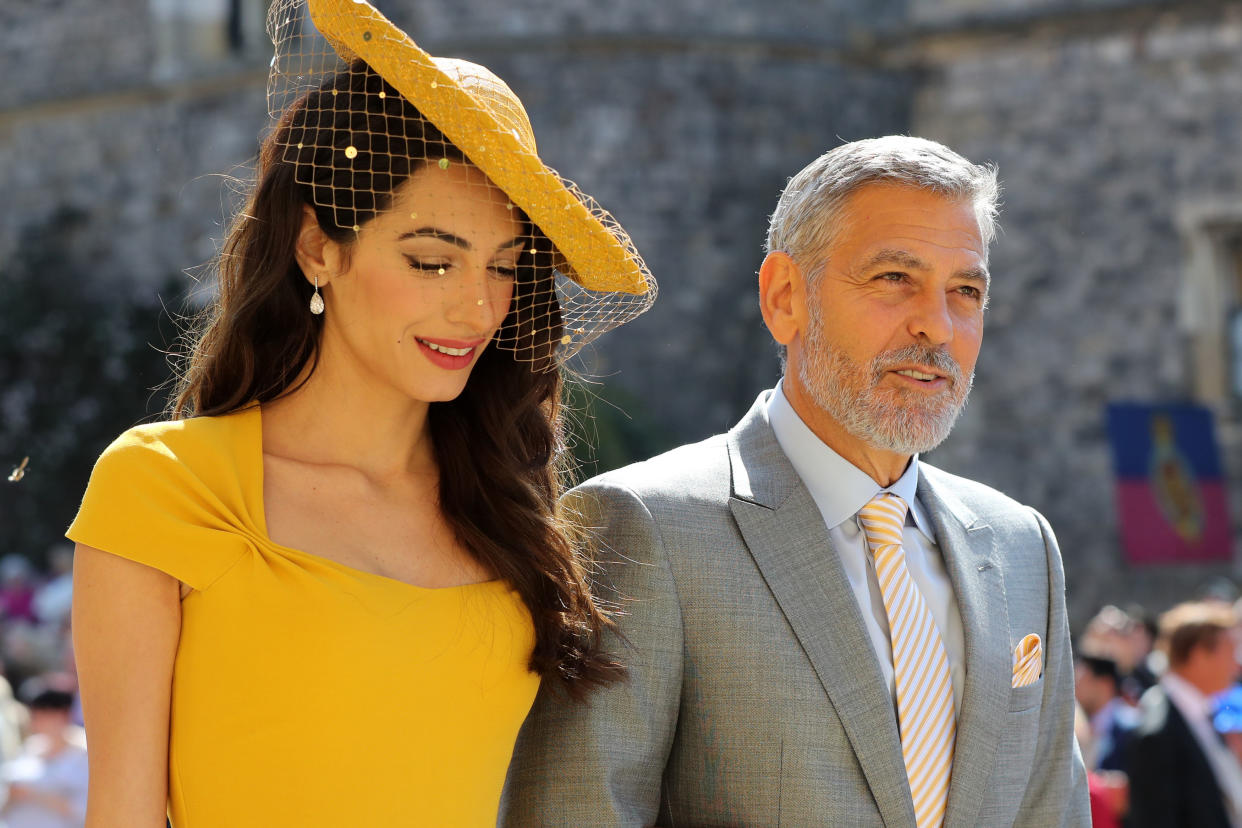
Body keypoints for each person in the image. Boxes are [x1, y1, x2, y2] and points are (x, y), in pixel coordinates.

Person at [68, 1, 655, 826]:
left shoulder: (510, 510)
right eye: (431, 261)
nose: (478, 307)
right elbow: (122, 813)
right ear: (317, 247)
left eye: (502, 267)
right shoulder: (168, 488)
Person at [504, 135, 1089, 827]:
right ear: (785, 297)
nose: (937, 323)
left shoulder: (1023, 547)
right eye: (894, 278)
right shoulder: (645, 526)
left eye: (966, 290)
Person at [1127, 601, 1242, 828]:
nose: (1237, 665)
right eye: (1231, 651)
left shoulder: (1200, 716)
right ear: (1200, 654)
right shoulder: (1157, 730)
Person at [0, 687, 88, 828]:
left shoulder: (83, 754)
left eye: (46, 715)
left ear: (64, 715)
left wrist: (35, 795)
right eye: (36, 716)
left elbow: (84, 810)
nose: (39, 722)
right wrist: (12, 796)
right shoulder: (29, 749)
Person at [1074, 651, 1138, 772]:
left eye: (1082, 680)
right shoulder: (1077, 725)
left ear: (1105, 683)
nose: (1075, 687)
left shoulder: (1131, 729)